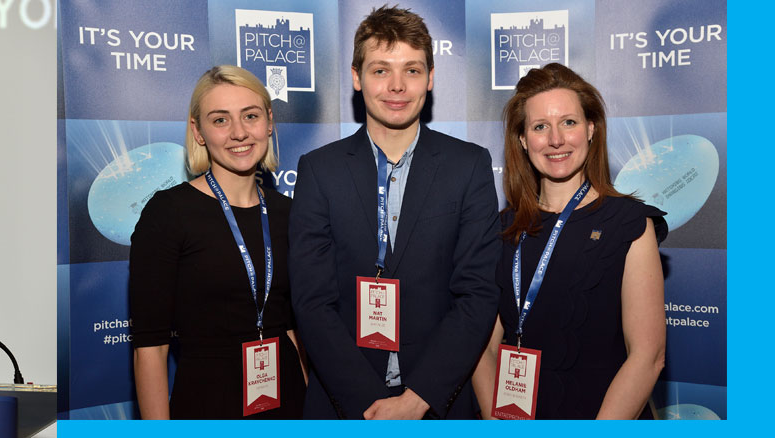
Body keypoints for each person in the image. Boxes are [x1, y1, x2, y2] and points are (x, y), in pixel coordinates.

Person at [288, 5, 500, 419]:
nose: (397, 86)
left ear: (431, 77)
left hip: (438, 403)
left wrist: (415, 401)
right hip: (343, 406)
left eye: (413, 70)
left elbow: (476, 295)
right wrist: (371, 405)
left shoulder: (469, 165)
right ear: (356, 77)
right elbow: (312, 302)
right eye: (381, 70)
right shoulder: (319, 169)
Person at [472, 63, 666, 420]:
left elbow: (648, 356)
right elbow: (482, 347)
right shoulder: (502, 229)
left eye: (569, 122)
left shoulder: (630, 224)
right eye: (540, 126)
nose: (556, 139)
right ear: (522, 139)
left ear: (591, 129)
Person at [129, 65, 308, 419]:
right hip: (208, 404)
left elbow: (293, 326)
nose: (239, 133)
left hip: (289, 402)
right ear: (198, 131)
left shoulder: (290, 212)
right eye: (221, 120)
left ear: (269, 122)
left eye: (250, 116)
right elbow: (150, 348)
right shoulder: (167, 214)